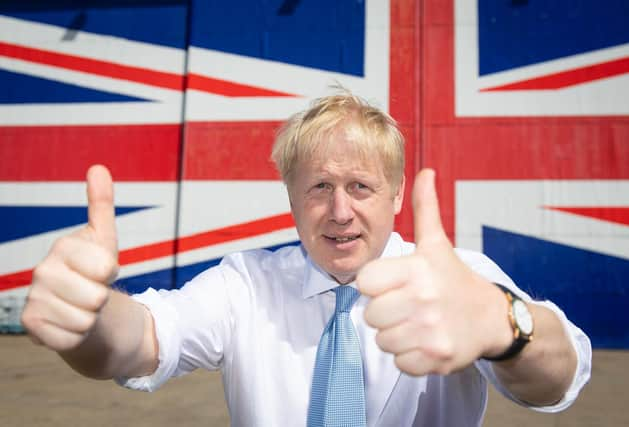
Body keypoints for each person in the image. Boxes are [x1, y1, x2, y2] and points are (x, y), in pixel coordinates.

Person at [21, 91, 591, 426]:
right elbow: (142, 340)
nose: (339, 212)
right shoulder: (246, 283)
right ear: (290, 196)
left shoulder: (460, 281)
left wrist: (507, 325)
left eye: (361, 188)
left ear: (396, 195)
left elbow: (558, 381)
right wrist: (92, 317)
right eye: (319, 187)